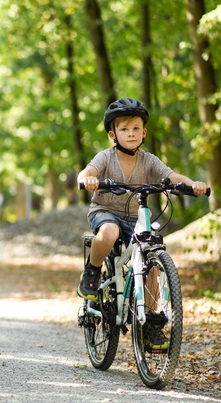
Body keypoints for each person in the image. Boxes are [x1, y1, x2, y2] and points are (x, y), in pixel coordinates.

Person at [77, 97, 208, 350]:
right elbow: (88, 171)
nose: (131, 133)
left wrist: (192, 185)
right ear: (112, 134)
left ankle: (150, 325)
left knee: (151, 258)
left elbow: (170, 176)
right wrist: (88, 180)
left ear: (144, 132)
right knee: (110, 231)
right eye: (124, 129)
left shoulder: (148, 160)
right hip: (105, 211)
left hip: (135, 216)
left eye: (136, 128)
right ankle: (92, 272)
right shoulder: (106, 157)